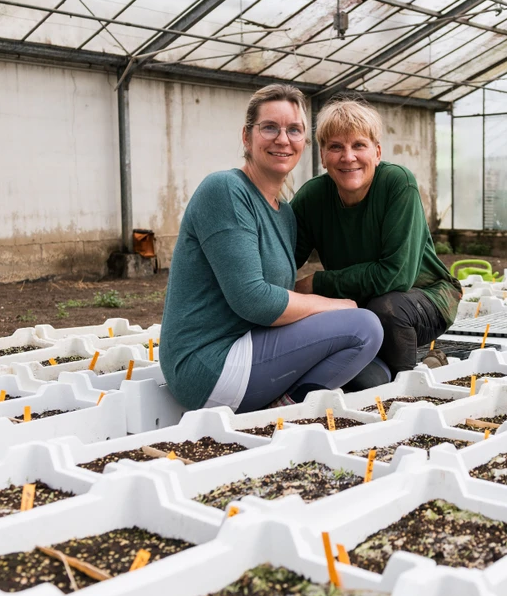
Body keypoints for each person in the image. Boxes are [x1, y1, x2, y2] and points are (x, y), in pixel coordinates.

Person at [159, 85, 383, 413]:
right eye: (269, 127)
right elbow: (255, 301)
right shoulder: (225, 190)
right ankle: (284, 411)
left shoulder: (285, 214)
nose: (282, 139)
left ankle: (283, 403)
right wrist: (331, 304)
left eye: (294, 130)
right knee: (364, 328)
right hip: (209, 363)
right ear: (246, 137)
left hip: (251, 347)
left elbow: (278, 297)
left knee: (377, 375)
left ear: (305, 143)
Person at [292, 97, 461, 388]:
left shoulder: (397, 184)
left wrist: (316, 284)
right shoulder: (313, 198)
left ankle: (408, 388)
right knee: (364, 375)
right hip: (360, 305)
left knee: (386, 309)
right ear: (322, 155)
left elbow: (396, 275)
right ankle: (411, 367)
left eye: (359, 145)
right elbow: (283, 259)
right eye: (336, 146)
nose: (348, 157)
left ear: (377, 152)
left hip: (425, 297)